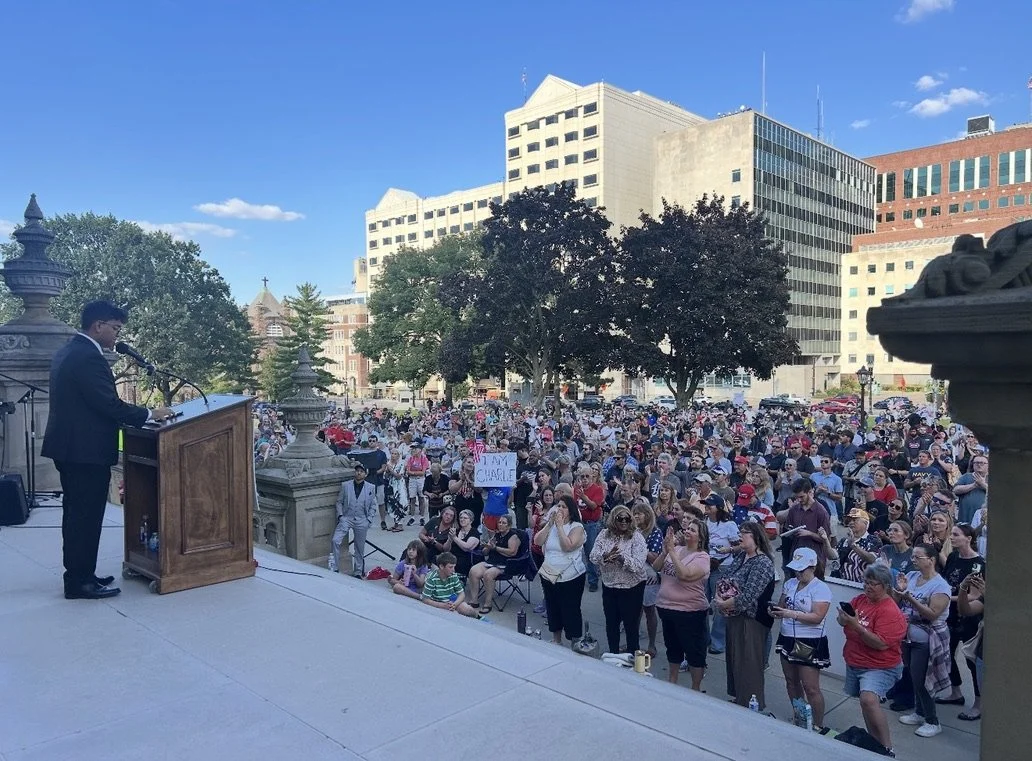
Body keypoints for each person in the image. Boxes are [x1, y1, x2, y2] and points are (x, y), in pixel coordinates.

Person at [42, 300, 173, 599]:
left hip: (72, 449)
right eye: (115, 329)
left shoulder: (69, 351)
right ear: (97, 326)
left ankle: (81, 574)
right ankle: (79, 582)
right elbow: (108, 404)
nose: (117, 336)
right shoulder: (89, 357)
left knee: (78, 516)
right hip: (84, 452)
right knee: (84, 518)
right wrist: (152, 414)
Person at [838, 564, 908, 755]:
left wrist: (856, 625)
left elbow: (880, 644)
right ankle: (874, 744)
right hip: (856, 661)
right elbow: (842, 620)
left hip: (880, 666)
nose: (868, 587)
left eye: (873, 584)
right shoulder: (860, 599)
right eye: (866, 583)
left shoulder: (890, 611)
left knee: (868, 699)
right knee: (865, 703)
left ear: (885, 585)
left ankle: (887, 748)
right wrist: (844, 619)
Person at [891, 543, 952, 738]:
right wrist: (899, 592)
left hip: (927, 640)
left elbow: (932, 614)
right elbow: (895, 602)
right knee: (912, 674)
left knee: (922, 679)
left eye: (918, 557)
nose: (913, 560)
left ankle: (933, 720)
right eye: (913, 557)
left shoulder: (941, 586)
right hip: (907, 636)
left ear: (931, 560)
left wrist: (909, 598)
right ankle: (919, 711)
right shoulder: (910, 577)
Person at [714, 521, 776, 710]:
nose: (740, 535)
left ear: (756, 537)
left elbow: (749, 595)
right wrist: (719, 598)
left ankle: (751, 703)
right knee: (735, 660)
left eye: (745, 533)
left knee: (749, 662)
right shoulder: (741, 556)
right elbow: (726, 577)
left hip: (752, 619)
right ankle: (739, 698)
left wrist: (725, 602)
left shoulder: (763, 563)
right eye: (740, 532)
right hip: (734, 616)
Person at [773, 547, 833, 731]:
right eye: (796, 569)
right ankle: (799, 715)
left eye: (802, 569)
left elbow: (817, 617)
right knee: (791, 680)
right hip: (788, 636)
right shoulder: (790, 583)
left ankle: (818, 724)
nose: (798, 573)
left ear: (812, 566)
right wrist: (775, 610)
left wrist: (791, 613)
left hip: (808, 640)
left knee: (810, 686)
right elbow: (781, 605)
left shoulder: (820, 588)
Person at [653, 517, 711, 688]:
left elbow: (684, 575)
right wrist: (665, 551)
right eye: (687, 529)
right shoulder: (676, 549)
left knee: (694, 653)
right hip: (667, 609)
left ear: (701, 537)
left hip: (690, 612)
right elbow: (656, 567)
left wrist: (671, 552)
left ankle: (695, 687)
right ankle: (672, 681)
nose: (687, 531)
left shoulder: (702, 557)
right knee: (673, 648)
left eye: (693, 530)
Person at [938, 523, 985, 713]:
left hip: (968, 618)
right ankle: (955, 692)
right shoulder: (953, 557)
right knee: (946, 654)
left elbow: (974, 596)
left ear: (969, 538)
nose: (952, 537)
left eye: (956, 534)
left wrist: (946, 598)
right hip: (949, 615)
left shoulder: (978, 564)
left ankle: (978, 703)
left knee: (971, 661)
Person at [589, 505, 648, 655]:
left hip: (631, 588)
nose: (623, 522)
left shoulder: (636, 537)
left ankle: (633, 656)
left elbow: (638, 565)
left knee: (631, 625)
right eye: (619, 518)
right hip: (610, 586)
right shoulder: (604, 534)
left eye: (627, 518)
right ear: (613, 520)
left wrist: (621, 558)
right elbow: (593, 556)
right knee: (611, 623)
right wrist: (605, 556)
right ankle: (613, 654)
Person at [534, 495, 587, 644]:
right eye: (559, 506)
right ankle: (556, 639)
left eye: (564, 507)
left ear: (571, 510)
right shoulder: (552, 525)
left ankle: (574, 640)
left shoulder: (577, 527)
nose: (560, 509)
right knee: (553, 607)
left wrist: (559, 527)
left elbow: (568, 546)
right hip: (549, 573)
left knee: (570, 609)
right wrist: (550, 524)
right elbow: (538, 541)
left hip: (570, 576)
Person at [329, 463, 380, 577]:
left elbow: (373, 505)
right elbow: (339, 502)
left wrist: (369, 520)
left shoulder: (371, 487)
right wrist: (340, 516)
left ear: (365, 474)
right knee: (335, 540)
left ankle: (357, 571)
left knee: (359, 547)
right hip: (347, 517)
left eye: (361, 471)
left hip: (362, 519)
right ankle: (335, 567)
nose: (358, 473)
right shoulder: (345, 485)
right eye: (357, 471)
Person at [465, 513, 522, 614]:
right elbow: (486, 551)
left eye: (503, 523)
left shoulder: (513, 536)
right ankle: (474, 601)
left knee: (488, 574)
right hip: (492, 561)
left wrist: (495, 548)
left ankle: (488, 604)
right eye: (499, 522)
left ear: (509, 525)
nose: (500, 524)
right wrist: (486, 547)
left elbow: (512, 552)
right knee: (473, 570)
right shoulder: (496, 535)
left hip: (506, 564)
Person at [632, 500, 663, 658]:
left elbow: (654, 557)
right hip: (632, 574)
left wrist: (639, 542)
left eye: (639, 513)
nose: (636, 516)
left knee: (649, 610)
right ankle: (634, 643)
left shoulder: (655, 532)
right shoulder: (631, 530)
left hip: (649, 576)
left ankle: (652, 645)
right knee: (634, 610)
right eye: (634, 513)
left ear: (648, 515)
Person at [574, 464, 606, 592]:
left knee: (590, 553)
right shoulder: (576, 488)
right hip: (579, 523)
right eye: (582, 477)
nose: (585, 479)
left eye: (587, 476)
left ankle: (593, 581)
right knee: (575, 552)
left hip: (591, 524)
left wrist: (583, 497)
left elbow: (593, 506)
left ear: (592, 477)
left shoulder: (597, 489)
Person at [830, 508, 883, 583]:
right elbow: (832, 556)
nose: (851, 523)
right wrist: (825, 541)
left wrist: (854, 546)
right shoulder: (844, 540)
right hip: (842, 582)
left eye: (854, 520)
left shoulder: (873, 540)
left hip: (862, 585)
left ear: (865, 523)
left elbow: (872, 560)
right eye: (849, 520)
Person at [420, 552, 479, 617]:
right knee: (454, 616)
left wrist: (454, 604)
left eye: (454, 567)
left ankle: (479, 618)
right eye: (450, 567)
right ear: (441, 566)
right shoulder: (431, 579)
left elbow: (461, 594)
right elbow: (425, 599)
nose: (453, 570)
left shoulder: (453, 575)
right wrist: (442, 605)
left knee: (467, 609)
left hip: (451, 600)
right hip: (437, 602)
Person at [449, 509, 481, 579]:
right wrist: (449, 539)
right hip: (452, 557)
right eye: (461, 518)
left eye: (465, 518)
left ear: (471, 520)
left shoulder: (474, 532)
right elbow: (446, 548)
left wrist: (454, 537)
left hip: (467, 559)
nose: (462, 519)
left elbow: (467, 547)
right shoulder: (456, 531)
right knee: (438, 559)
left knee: (458, 563)